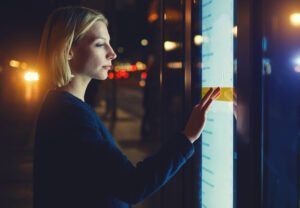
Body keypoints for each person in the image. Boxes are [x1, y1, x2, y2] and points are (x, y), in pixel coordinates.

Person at [33, 6, 221, 208]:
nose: (112, 53)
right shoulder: (70, 115)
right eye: (100, 44)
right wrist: (188, 137)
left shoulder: (63, 106)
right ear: (68, 51)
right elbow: (133, 186)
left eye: (109, 44)